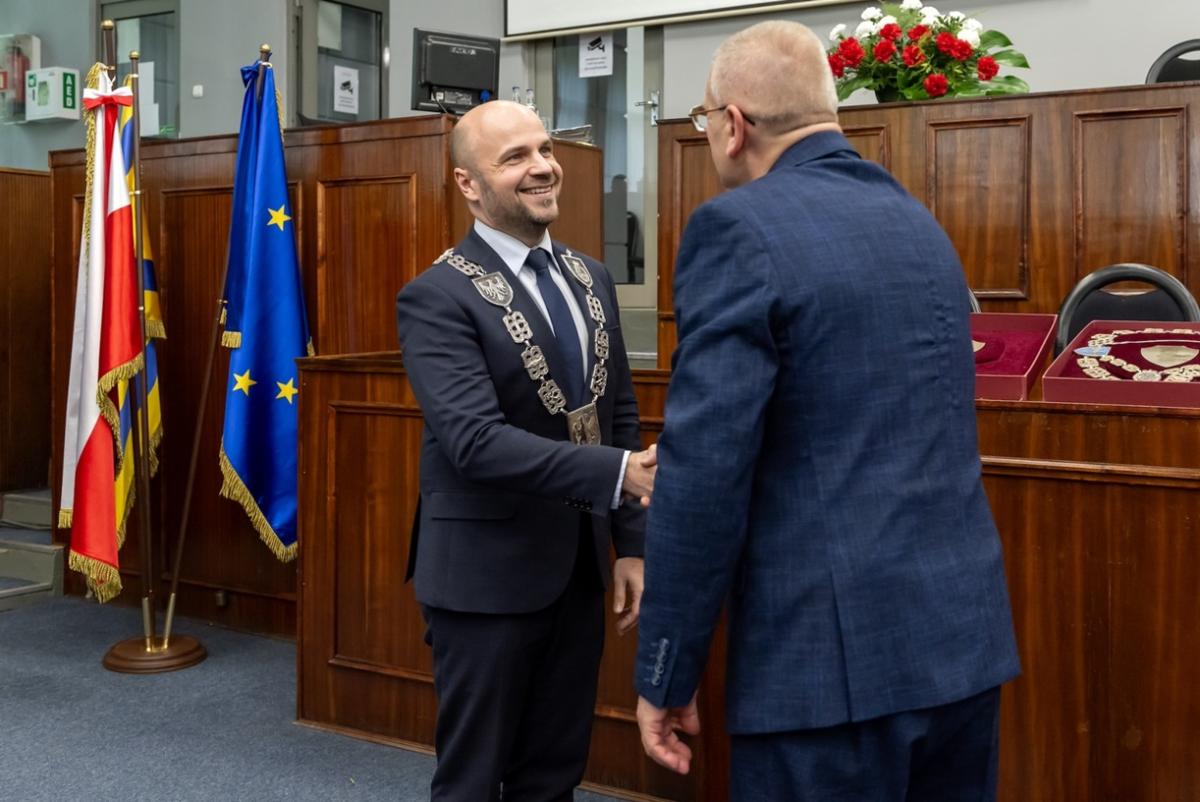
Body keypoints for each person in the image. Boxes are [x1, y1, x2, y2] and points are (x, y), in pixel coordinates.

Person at [633, 20, 1020, 802]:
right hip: (960, 643)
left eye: (704, 119)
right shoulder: (919, 224)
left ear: (733, 125)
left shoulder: (735, 229)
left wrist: (666, 669)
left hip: (826, 669)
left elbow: (705, 473)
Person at [395, 100, 655, 802]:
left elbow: (618, 414)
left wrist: (630, 543)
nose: (541, 167)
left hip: (577, 571)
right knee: (473, 779)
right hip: (484, 579)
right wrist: (619, 474)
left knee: (554, 771)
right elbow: (476, 443)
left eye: (543, 149)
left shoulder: (590, 277)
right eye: (514, 158)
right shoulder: (436, 296)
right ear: (468, 185)